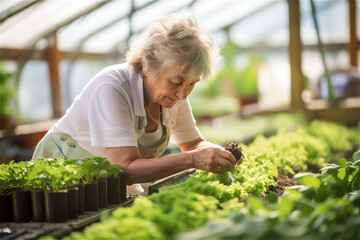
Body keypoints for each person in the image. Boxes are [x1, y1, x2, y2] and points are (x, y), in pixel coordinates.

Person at [32, 14, 239, 195]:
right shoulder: (112, 87)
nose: (183, 94)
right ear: (147, 66)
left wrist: (220, 153)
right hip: (59, 183)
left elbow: (193, 144)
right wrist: (194, 160)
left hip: (103, 187)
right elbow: (125, 168)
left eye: (192, 84)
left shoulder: (171, 96)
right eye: (176, 82)